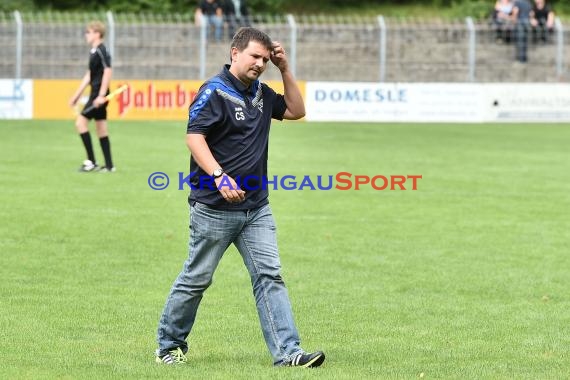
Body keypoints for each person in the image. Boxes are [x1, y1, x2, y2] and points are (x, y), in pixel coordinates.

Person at [155, 27, 325, 368]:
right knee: (196, 279)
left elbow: (296, 110)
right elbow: (194, 137)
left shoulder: (261, 92)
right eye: (255, 57)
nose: (260, 64)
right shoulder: (214, 91)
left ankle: (288, 353)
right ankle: (168, 346)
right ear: (235, 53)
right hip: (213, 209)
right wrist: (219, 177)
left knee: (270, 276)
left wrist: (285, 69)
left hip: (256, 208)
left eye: (265, 59)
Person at [69, 21, 115, 172]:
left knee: (80, 123)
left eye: (88, 32)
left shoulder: (102, 50)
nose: (86, 35)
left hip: (98, 96)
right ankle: (109, 166)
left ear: (97, 33)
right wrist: (77, 95)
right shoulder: (94, 51)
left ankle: (91, 162)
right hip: (95, 94)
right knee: (101, 128)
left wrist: (101, 95)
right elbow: (90, 75)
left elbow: (108, 71)